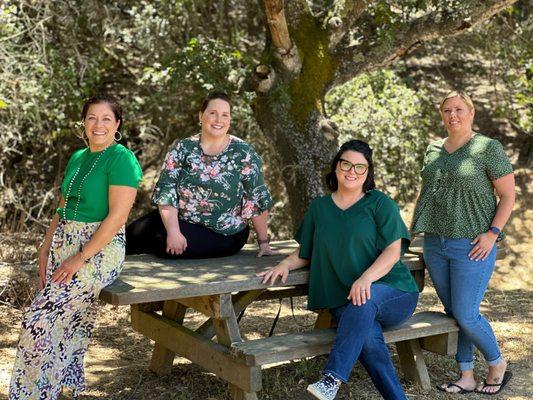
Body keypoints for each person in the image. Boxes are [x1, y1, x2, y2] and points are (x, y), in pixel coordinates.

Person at [257, 140, 420, 400]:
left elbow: (393, 250)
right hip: (344, 298)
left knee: (364, 301)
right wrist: (284, 264)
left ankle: (331, 379)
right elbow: (306, 251)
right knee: (367, 337)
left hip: (393, 291)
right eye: (346, 164)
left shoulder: (380, 204)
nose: (352, 171)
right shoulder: (319, 208)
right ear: (336, 167)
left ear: (368, 173)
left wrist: (366, 278)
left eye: (360, 167)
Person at [9, 95, 142, 400]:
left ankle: (31, 395)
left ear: (117, 124)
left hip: (98, 249)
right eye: (92, 117)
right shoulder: (77, 157)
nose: (98, 124)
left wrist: (80, 258)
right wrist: (45, 247)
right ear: (83, 122)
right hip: (63, 241)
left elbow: (118, 217)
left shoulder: (121, 158)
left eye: (106, 118)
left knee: (38, 320)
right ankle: (58, 389)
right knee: (68, 321)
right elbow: (62, 206)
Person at [411, 91, 515, 395]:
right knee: (455, 312)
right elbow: (429, 193)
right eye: (446, 110)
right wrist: (414, 229)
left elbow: (508, 195)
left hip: (472, 244)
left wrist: (492, 233)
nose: (452, 115)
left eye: (458, 109)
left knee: (466, 313)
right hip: (435, 243)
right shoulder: (432, 149)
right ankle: (466, 375)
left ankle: (496, 363)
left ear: (471, 112)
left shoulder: (487, 148)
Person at [126, 92, 275, 259]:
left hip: (224, 234)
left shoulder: (243, 153)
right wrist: (174, 231)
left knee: (160, 241)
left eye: (225, 115)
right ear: (201, 115)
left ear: (230, 119)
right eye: (213, 113)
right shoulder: (183, 148)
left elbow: (256, 197)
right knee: (130, 235)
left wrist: (263, 243)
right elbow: (167, 192)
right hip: (184, 221)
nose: (219, 120)